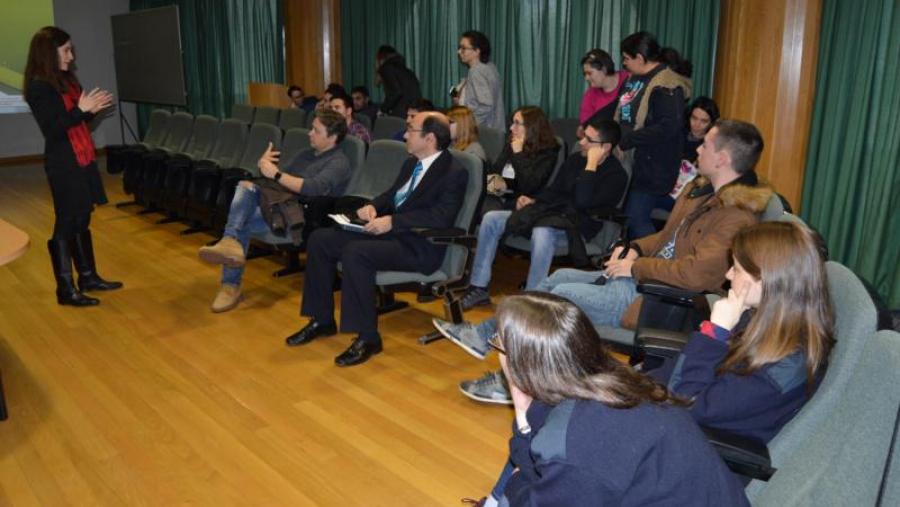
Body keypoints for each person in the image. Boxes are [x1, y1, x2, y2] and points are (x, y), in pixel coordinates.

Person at [437, 119, 774, 404]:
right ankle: (487, 339)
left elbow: (697, 274)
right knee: (558, 277)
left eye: (706, 145)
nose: (697, 147)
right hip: (640, 279)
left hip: (657, 299)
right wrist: (635, 249)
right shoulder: (699, 189)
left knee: (552, 302)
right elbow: (666, 238)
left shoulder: (736, 216)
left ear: (723, 158)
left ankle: (510, 376)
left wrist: (636, 267)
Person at [474, 292, 749, 506]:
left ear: (523, 362)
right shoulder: (609, 380)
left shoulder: (577, 440)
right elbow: (538, 465)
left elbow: (539, 477)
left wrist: (516, 486)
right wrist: (523, 413)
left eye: (497, 340)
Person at [286, 112, 468, 367]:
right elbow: (391, 195)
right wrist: (372, 207)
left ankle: (369, 338)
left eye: (410, 130)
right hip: (393, 236)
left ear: (429, 138)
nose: (405, 134)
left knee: (356, 253)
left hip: (420, 246)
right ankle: (322, 320)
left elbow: (441, 216)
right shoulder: (411, 164)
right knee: (320, 239)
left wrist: (393, 221)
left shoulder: (454, 172)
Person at [647, 221, 834, 443]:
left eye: (736, 268)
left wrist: (714, 333)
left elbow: (686, 405)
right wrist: (633, 386)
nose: (727, 275)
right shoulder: (756, 319)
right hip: (670, 426)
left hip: (696, 450)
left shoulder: (787, 365)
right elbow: (675, 374)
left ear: (767, 280)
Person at [454, 118, 627, 310]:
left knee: (542, 231)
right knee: (491, 218)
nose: (582, 142)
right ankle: (478, 287)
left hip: (576, 228)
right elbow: (555, 190)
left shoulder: (616, 175)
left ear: (606, 147)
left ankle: (533, 298)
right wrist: (533, 200)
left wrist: (591, 165)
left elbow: (582, 202)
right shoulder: (575, 159)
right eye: (583, 136)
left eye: (589, 139)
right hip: (549, 213)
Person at [197, 110, 352, 312]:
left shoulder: (339, 163)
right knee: (245, 186)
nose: (309, 133)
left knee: (238, 224)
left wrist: (276, 173)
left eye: (316, 130)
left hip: (301, 216)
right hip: (279, 206)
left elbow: (313, 187)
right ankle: (229, 251)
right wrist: (264, 165)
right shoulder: (305, 154)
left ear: (332, 137)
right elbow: (276, 181)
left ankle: (230, 283)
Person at [24, 26, 121, 307]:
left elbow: (78, 123)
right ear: (48, 53)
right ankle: (65, 289)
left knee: (82, 217)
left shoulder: (66, 81)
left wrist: (92, 112)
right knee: (67, 221)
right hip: (64, 162)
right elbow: (54, 129)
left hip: (83, 158)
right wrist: (82, 111)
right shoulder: (39, 87)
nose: (71, 55)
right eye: (66, 50)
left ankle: (88, 277)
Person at [616, 31, 693, 239]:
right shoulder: (634, 79)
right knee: (630, 217)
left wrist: (627, 140)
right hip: (635, 161)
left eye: (626, 58)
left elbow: (669, 126)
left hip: (654, 164)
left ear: (640, 58)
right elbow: (621, 110)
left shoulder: (667, 84)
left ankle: (653, 265)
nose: (623, 64)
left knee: (636, 219)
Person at [481, 106, 559, 215]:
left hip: (524, 202)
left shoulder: (547, 153)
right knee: (482, 200)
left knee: (490, 213)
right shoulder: (512, 143)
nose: (511, 128)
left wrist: (518, 154)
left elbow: (529, 187)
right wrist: (499, 187)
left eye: (517, 123)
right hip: (503, 194)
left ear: (531, 127)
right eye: (512, 123)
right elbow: (495, 173)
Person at [456, 31, 506, 130]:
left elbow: (486, 105)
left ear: (477, 51)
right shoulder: (490, 67)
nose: (459, 52)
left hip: (484, 131)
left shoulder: (476, 71)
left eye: (463, 48)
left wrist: (469, 124)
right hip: (495, 128)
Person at [576, 48, 628, 138]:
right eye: (585, 74)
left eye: (589, 73)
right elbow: (586, 129)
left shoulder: (629, 79)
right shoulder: (589, 95)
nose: (586, 78)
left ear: (604, 69)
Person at [375, 45, 422, 118]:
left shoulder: (386, 68)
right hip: (413, 112)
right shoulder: (406, 71)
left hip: (400, 113)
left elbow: (395, 92)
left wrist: (382, 109)